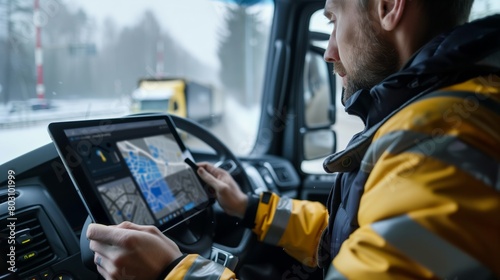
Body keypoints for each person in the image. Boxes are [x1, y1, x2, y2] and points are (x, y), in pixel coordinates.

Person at [87, 0, 500, 279]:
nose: (329, 52)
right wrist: (250, 208)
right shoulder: (434, 117)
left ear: (389, 6)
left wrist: (172, 271)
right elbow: (349, 238)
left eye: (334, 20)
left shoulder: (439, 145)